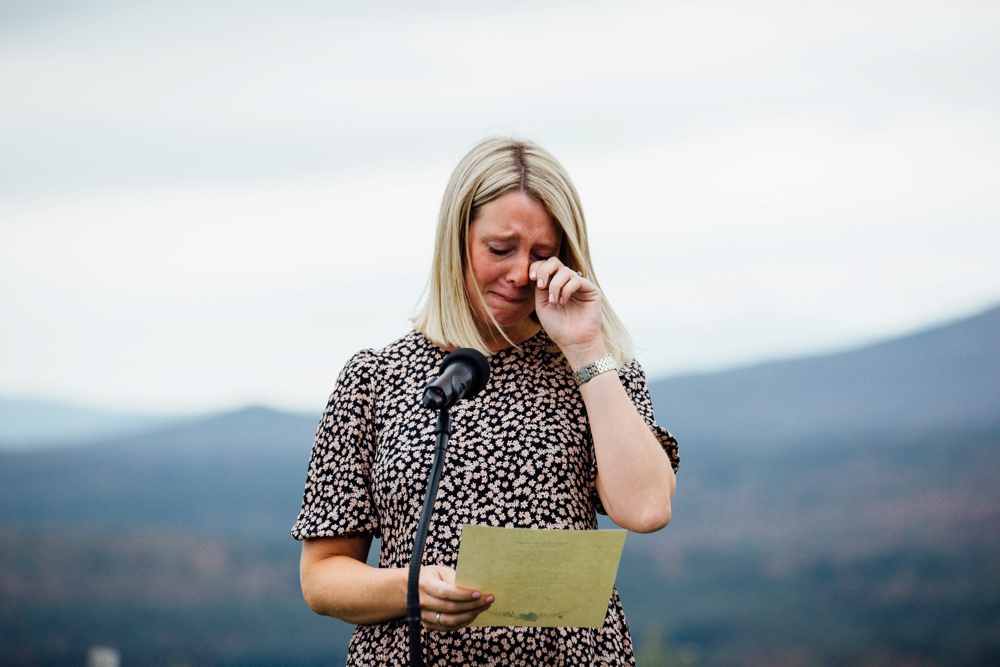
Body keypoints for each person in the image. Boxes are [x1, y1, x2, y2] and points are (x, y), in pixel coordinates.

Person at [292, 137, 679, 666]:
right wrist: (411, 589)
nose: (521, 273)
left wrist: (586, 347)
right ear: (457, 240)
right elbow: (321, 577)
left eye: (542, 254)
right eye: (501, 249)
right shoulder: (374, 378)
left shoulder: (598, 369)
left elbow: (647, 509)